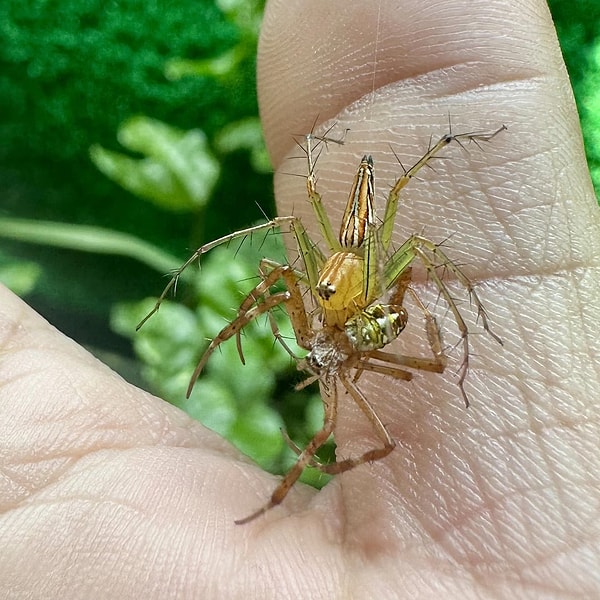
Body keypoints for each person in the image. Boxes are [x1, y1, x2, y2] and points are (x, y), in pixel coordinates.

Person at [2, 0, 599, 597]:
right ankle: (225, 346)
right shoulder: (318, 296)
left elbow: (412, 317)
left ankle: (278, 466)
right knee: (274, 267)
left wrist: (458, 318)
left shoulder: (368, 297)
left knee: (393, 234)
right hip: (345, 290)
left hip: (365, 290)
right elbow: (271, 277)